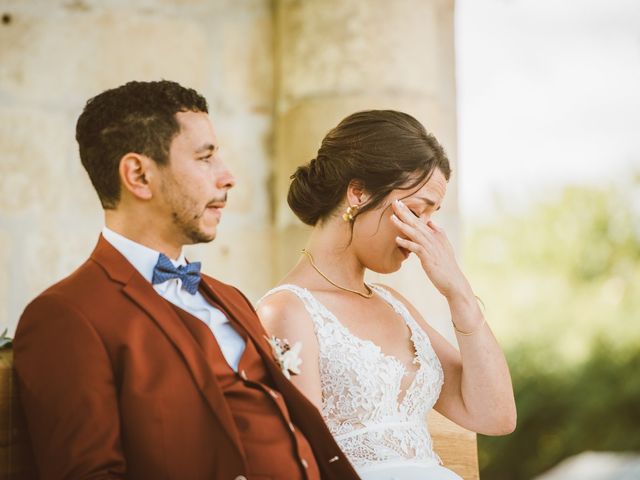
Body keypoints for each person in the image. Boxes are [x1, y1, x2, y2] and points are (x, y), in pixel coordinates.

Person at [14, 80, 360, 480]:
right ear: (139, 175)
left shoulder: (230, 297)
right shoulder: (66, 317)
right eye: (205, 158)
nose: (227, 177)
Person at [258, 110, 517, 480]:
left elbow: (496, 416)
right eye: (414, 210)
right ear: (359, 193)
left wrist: (458, 291)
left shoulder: (396, 306)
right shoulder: (286, 310)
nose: (423, 230)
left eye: (430, 216)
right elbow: (302, 462)